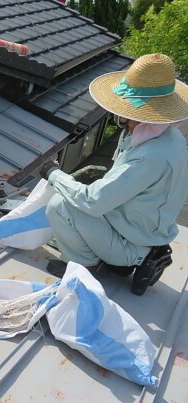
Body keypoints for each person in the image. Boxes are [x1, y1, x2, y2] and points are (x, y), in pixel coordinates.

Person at [39, 53, 188, 294]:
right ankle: (110, 256)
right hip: (141, 228)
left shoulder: (150, 155)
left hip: (133, 242)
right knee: (74, 198)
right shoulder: (164, 135)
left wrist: (53, 173)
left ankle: (85, 269)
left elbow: (93, 201)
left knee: (59, 206)